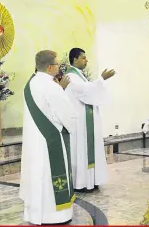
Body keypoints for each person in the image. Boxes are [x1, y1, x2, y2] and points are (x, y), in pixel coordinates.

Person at [20, 50, 78, 225]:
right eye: (58, 64)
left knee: (37, 174)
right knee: (50, 175)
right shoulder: (51, 86)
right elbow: (65, 113)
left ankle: (36, 214)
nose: (59, 68)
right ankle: (56, 215)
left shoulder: (30, 83)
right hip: (50, 142)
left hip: (34, 141)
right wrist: (63, 91)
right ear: (50, 67)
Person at [65, 48, 115, 192]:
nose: (86, 60)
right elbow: (85, 90)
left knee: (89, 150)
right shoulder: (71, 76)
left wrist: (99, 82)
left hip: (87, 123)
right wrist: (101, 79)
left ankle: (91, 180)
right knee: (82, 152)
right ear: (75, 59)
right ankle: (81, 183)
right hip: (80, 124)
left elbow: (89, 89)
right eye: (84, 58)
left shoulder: (80, 76)